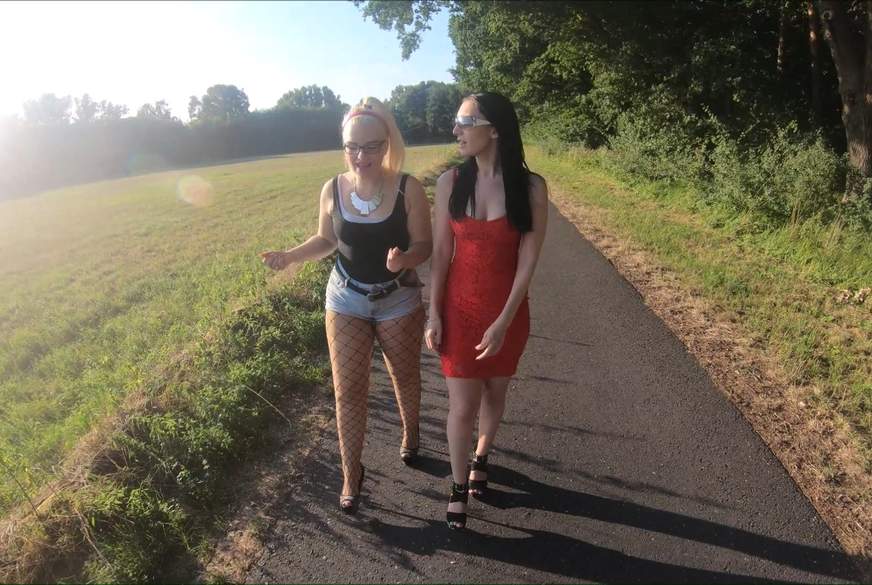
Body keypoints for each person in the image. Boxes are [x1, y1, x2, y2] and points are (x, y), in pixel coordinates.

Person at [260, 97, 432, 514]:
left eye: (371, 147)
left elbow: (425, 245)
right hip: (345, 297)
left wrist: (405, 260)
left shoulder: (407, 188)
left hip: (397, 298)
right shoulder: (332, 188)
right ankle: (351, 474)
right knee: (348, 390)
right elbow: (327, 240)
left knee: (404, 375)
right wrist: (291, 256)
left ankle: (411, 433)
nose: (361, 156)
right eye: (352, 147)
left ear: (386, 145)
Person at [425, 92, 548, 530]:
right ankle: (458, 485)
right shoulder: (450, 182)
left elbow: (528, 262)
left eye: (465, 121)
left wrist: (503, 321)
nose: (456, 130)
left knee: (496, 392)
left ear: (494, 130)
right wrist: (434, 312)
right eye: (456, 121)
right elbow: (441, 254)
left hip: (507, 313)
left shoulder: (531, 188)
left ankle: (481, 455)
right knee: (462, 405)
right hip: (459, 311)